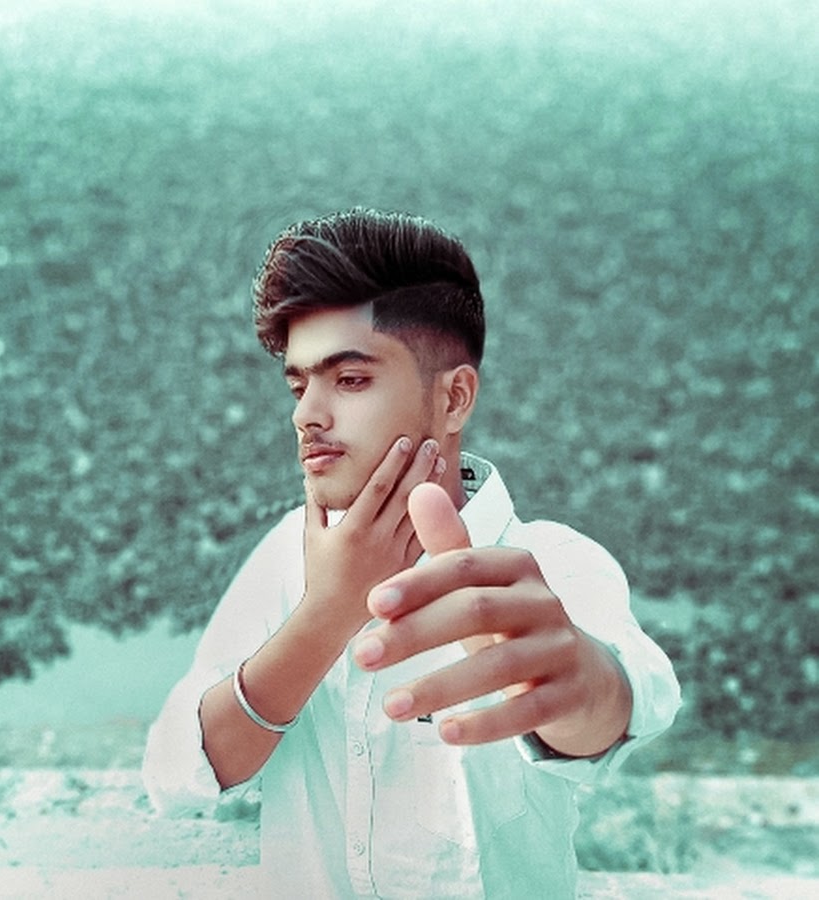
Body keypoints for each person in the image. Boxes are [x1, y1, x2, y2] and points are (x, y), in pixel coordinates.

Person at [143, 209, 680, 898]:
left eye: (350, 379)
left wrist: (579, 684)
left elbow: (624, 701)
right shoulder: (286, 554)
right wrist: (326, 613)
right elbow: (175, 774)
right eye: (299, 384)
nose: (306, 415)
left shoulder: (548, 559)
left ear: (454, 398)